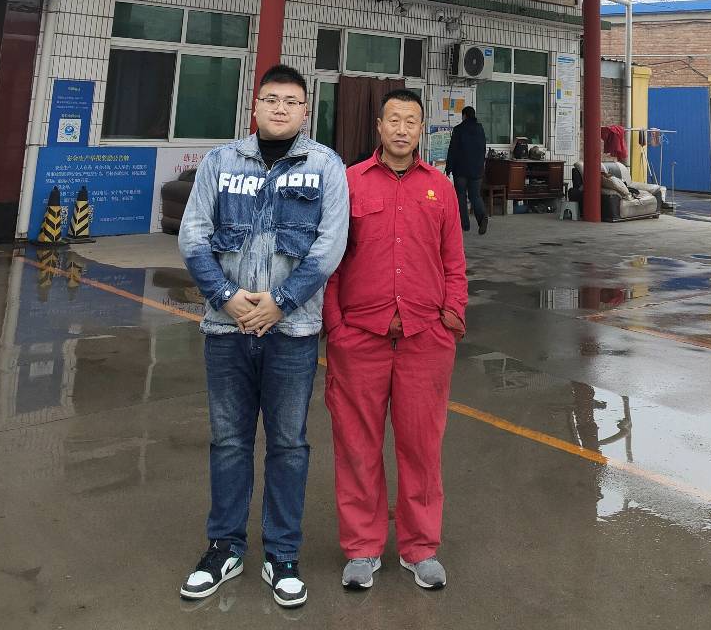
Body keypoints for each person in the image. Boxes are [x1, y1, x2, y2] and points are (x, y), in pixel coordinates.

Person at [178, 63, 349, 609]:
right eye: (271, 99)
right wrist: (226, 297)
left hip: (292, 331)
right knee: (229, 441)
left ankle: (283, 555)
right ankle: (224, 547)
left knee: (289, 445)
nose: (280, 109)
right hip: (226, 329)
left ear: (305, 111)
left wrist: (281, 302)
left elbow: (330, 246)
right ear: (255, 107)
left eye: (291, 101)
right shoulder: (221, 162)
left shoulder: (325, 166)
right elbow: (193, 236)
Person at [323, 88, 467, 593]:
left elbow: (454, 261)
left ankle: (420, 548)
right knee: (357, 447)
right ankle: (362, 548)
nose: (402, 129)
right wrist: (335, 326)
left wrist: (451, 318)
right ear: (379, 127)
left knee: (421, 448)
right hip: (359, 338)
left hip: (425, 339)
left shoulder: (440, 189)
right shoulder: (350, 183)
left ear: (421, 129)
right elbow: (330, 260)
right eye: (394, 120)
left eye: (411, 121)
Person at [445, 105, 489, 233]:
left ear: (464, 116)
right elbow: (483, 149)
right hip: (477, 170)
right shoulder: (480, 129)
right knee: (475, 196)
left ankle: (464, 224)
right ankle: (482, 218)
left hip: (461, 170)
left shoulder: (459, 129)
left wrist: (449, 167)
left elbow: (453, 149)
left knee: (461, 196)